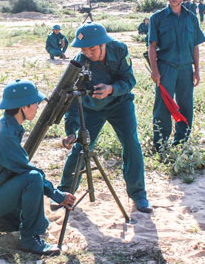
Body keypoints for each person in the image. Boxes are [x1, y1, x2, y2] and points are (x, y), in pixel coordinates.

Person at [53, 22, 152, 214]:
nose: (88, 53)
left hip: (120, 104)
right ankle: (65, 193)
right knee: (80, 148)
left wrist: (111, 89)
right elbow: (72, 100)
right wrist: (71, 131)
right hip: (92, 110)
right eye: (84, 49)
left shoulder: (120, 50)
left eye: (92, 48)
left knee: (131, 144)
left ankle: (138, 194)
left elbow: (129, 80)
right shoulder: (79, 63)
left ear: (103, 44)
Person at [0, 79, 76, 256]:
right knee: (33, 178)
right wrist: (58, 195)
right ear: (22, 107)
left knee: (40, 223)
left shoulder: (8, 125)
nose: (36, 107)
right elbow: (27, 172)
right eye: (35, 103)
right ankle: (28, 240)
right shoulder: (4, 134)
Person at [147, 0, 205, 153]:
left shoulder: (191, 18)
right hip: (166, 68)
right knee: (163, 106)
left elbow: (195, 45)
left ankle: (181, 141)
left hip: (186, 69)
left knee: (186, 105)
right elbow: (151, 46)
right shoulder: (157, 18)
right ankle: (160, 144)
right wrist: (155, 71)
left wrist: (197, 70)